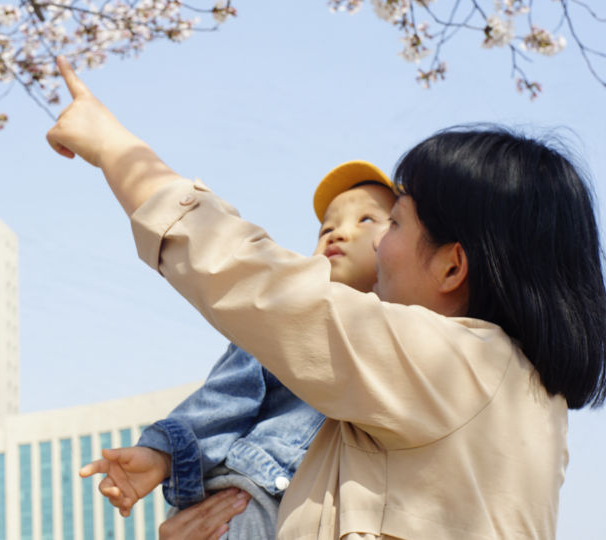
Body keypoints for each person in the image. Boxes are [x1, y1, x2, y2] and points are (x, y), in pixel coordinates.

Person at [46, 57, 606, 539]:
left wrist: (114, 149)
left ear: (452, 264)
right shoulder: (503, 399)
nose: (377, 244)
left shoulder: (455, 366)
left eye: (393, 225)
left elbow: (256, 282)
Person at [79, 161, 396, 540]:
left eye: (366, 221)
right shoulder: (289, 320)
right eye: (326, 227)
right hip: (251, 501)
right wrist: (162, 454)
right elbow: (224, 398)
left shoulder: (416, 346)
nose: (337, 234)